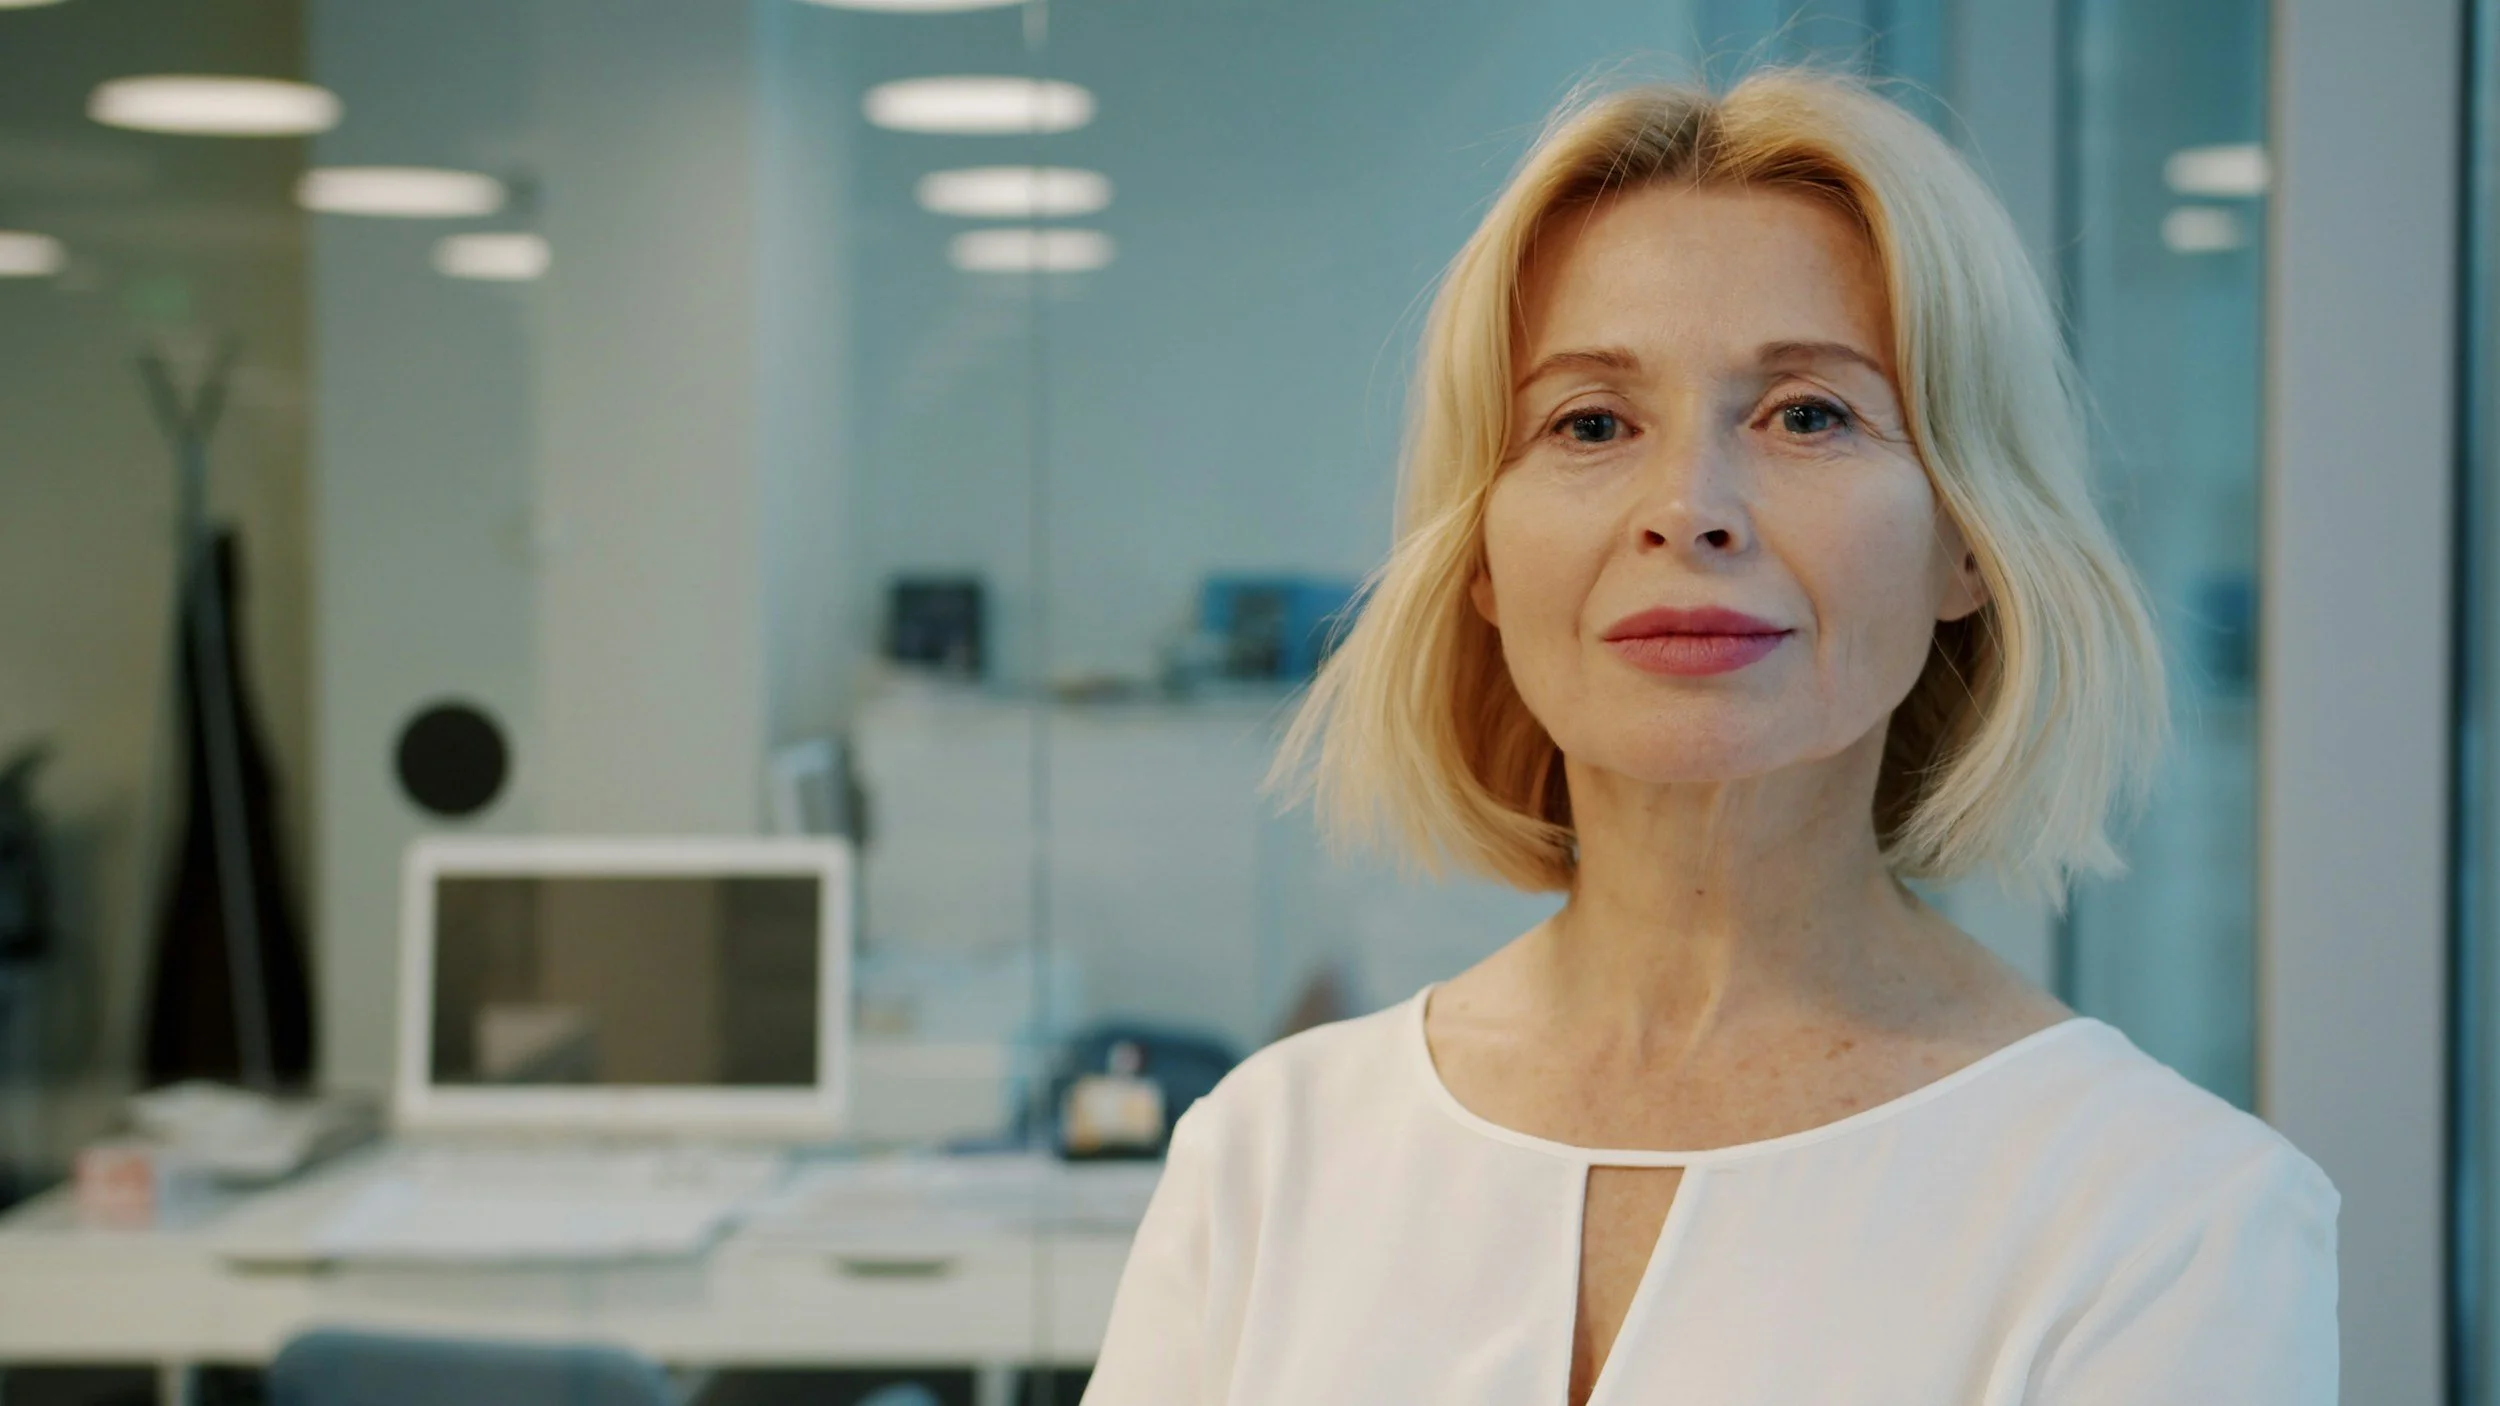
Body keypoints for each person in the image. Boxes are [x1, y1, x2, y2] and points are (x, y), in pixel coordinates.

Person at [1078, 65, 2337, 1406]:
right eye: (1592, 423)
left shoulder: (2167, 1216)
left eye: (1808, 414)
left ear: (1968, 541)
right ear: (1486, 559)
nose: (1690, 509)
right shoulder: (1268, 1158)